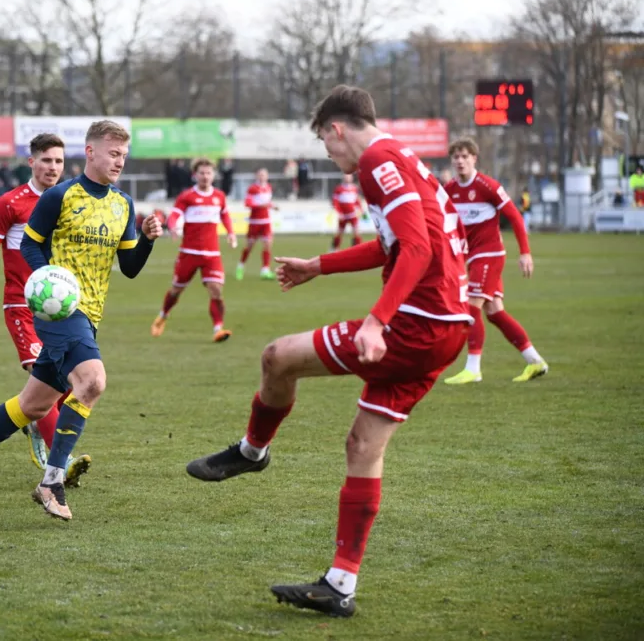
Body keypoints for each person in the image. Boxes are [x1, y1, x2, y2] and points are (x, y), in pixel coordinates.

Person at [185, 85, 471, 618]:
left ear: (336, 128)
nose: (328, 153)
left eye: (324, 142)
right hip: (448, 328)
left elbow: (416, 249)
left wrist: (377, 322)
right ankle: (340, 584)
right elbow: (394, 245)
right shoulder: (403, 157)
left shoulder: (377, 162)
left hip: (415, 324)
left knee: (277, 357)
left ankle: (252, 451)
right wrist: (319, 265)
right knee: (363, 447)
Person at [0, 120, 163, 521]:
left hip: (90, 314)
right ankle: (51, 481)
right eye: (113, 154)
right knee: (92, 381)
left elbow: (129, 267)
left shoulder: (123, 204)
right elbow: (29, 244)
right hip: (58, 312)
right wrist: (49, 284)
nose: (119, 162)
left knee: (33, 404)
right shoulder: (60, 196)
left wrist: (146, 239)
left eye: (124, 156)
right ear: (90, 152)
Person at [0, 132, 92, 485]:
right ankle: (62, 465)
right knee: (47, 381)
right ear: (31, 162)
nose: (53, 167)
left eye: (58, 161)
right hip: (22, 306)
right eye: (46, 160)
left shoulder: (70, 200)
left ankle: (37, 423)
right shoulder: (9, 204)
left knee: (70, 383)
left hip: (65, 310)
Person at [442, 138, 547, 385]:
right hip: (472, 257)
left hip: (490, 254)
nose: (460, 161)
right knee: (495, 312)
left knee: (471, 306)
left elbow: (515, 217)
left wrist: (525, 252)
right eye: (456, 157)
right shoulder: (449, 191)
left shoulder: (487, 186)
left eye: (465, 156)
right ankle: (535, 361)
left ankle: (473, 369)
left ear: (474, 159)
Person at [151, 158, 237, 342]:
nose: (205, 176)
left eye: (208, 173)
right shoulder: (187, 196)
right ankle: (163, 315)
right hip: (189, 253)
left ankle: (218, 329)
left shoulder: (219, 196)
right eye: (202, 173)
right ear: (195, 175)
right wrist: (172, 226)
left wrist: (231, 233)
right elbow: (175, 214)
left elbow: (225, 215)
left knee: (216, 290)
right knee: (176, 290)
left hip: (212, 254)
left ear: (213, 175)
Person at [236, 168, 277, 280]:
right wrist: (261, 206)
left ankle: (265, 270)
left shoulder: (268, 187)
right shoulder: (252, 189)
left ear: (267, 176)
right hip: (255, 221)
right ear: (257, 176)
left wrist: (272, 206)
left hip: (266, 221)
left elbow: (267, 202)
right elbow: (247, 203)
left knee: (268, 244)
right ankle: (240, 266)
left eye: (264, 175)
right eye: (260, 175)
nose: (262, 177)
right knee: (249, 246)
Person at [330, 172, 364, 251]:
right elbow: (335, 202)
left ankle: (358, 248)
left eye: (349, 177)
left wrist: (360, 209)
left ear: (352, 178)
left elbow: (357, 200)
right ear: (343, 178)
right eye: (346, 177)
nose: (348, 178)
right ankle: (334, 248)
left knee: (356, 232)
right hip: (343, 215)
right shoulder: (339, 189)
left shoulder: (354, 188)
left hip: (353, 214)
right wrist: (339, 213)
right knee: (339, 232)